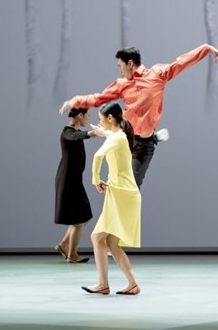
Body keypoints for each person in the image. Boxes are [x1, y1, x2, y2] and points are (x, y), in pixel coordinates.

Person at [59, 44, 218, 187]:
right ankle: (154, 138)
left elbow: (180, 63)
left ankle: (153, 138)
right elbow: (98, 98)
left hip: (143, 147)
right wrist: (75, 101)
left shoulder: (157, 74)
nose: (119, 70)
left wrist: (205, 48)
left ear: (130, 63)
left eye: (120, 66)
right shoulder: (122, 85)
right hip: (125, 140)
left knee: (132, 187)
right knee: (117, 184)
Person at [82, 102, 141, 295]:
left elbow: (98, 156)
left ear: (110, 118)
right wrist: (103, 132)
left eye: (101, 119)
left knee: (97, 238)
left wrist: (95, 180)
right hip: (122, 193)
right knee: (109, 242)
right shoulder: (118, 136)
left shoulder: (117, 138)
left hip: (123, 194)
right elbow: (113, 137)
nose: (100, 122)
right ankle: (131, 285)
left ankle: (103, 284)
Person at [54, 107, 97, 263]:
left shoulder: (74, 131)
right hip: (68, 179)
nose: (88, 118)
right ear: (80, 115)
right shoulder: (67, 131)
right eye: (88, 115)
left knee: (84, 217)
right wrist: (90, 134)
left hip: (73, 179)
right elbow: (74, 136)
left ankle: (63, 245)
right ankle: (72, 255)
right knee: (80, 219)